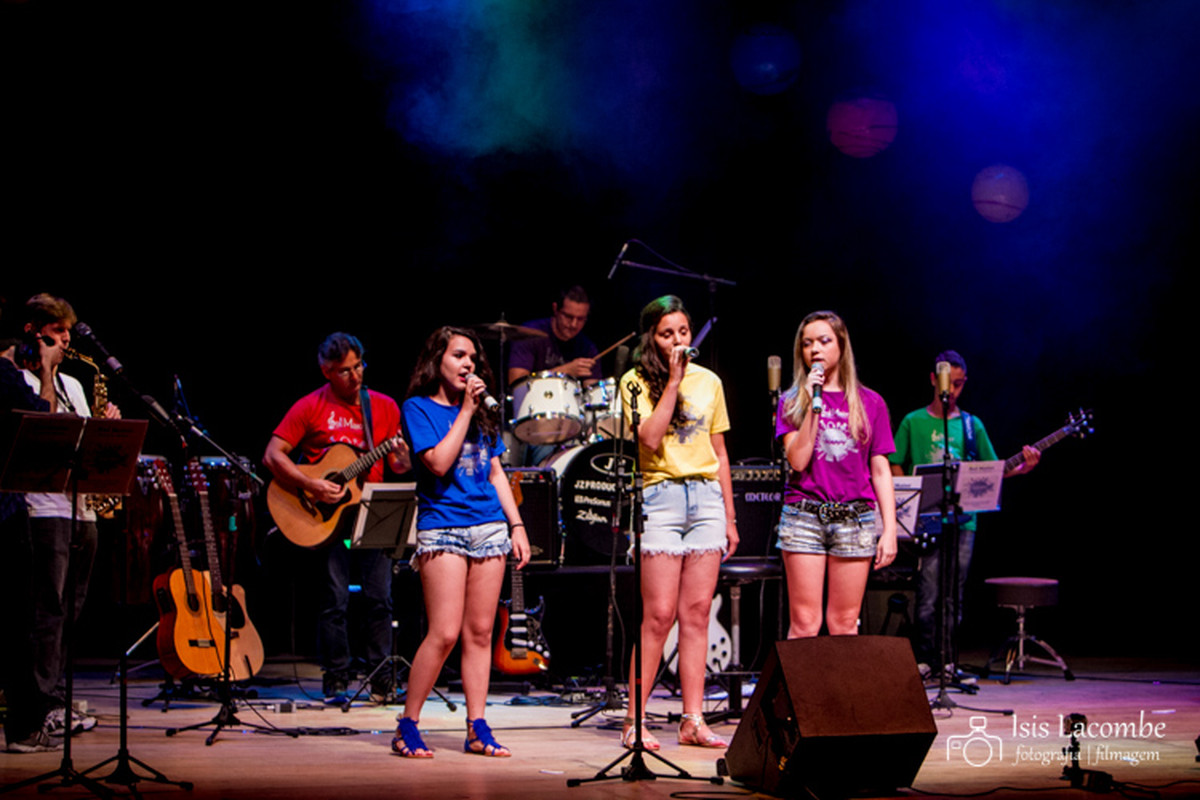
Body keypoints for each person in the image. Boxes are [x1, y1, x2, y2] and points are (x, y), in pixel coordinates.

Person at [393, 326, 530, 759]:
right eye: (458, 355)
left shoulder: (485, 414)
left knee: (480, 632)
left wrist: (517, 525)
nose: (468, 363)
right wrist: (466, 412)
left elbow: (494, 472)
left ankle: (477, 725)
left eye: (472, 357)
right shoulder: (417, 408)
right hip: (444, 527)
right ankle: (408, 724)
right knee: (445, 632)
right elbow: (436, 462)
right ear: (438, 361)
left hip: (489, 526)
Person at [263, 332, 411, 703]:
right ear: (326, 370)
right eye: (345, 371)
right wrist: (311, 484)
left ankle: (380, 677)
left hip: (371, 508)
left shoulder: (384, 406)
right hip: (326, 518)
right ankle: (337, 676)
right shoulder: (310, 406)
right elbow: (273, 455)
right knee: (334, 599)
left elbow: (398, 464)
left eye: (359, 366)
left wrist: (403, 457)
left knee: (381, 598)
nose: (355, 376)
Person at [619, 295, 737, 751]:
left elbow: (720, 452)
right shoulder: (634, 382)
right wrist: (672, 382)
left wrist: (729, 515)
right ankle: (635, 719)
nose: (678, 341)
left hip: (706, 498)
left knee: (697, 613)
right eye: (667, 334)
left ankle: (693, 719)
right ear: (652, 337)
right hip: (660, 497)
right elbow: (648, 439)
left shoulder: (711, 382)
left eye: (683, 332)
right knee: (659, 615)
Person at [14, 294, 121, 746]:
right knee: (47, 612)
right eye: (56, 331)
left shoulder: (76, 384)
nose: (65, 339)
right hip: (43, 510)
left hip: (81, 511)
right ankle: (34, 709)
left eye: (67, 332)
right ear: (34, 332)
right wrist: (43, 372)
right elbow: (45, 430)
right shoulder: (15, 379)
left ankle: (56, 700)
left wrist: (107, 425)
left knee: (72, 612)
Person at [889, 350, 1039, 671]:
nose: (952, 392)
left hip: (964, 521)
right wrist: (911, 497)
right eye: (948, 384)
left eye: (958, 385)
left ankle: (947, 661)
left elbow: (992, 468)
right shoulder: (913, 421)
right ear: (933, 379)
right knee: (928, 593)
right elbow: (894, 461)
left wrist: (1022, 469)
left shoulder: (973, 426)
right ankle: (925, 659)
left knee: (952, 596)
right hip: (927, 520)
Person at [776, 311, 897, 640]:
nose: (815, 349)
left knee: (844, 623)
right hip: (805, 515)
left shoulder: (871, 402)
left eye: (824, 341)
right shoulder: (791, 402)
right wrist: (812, 406)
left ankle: (839, 694)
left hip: (854, 518)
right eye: (807, 344)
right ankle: (799, 694)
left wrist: (890, 530)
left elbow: (881, 469)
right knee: (804, 623)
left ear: (841, 346)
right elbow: (798, 461)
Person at [1, 307, 55, 753]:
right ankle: (22, 729)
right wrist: (48, 372)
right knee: (18, 624)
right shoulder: (4, 374)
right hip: (6, 508)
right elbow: (46, 423)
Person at [507, 285, 602, 386]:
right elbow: (516, 382)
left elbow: (592, 392)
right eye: (568, 317)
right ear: (555, 309)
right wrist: (564, 371)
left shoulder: (587, 348)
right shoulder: (529, 335)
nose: (574, 325)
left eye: (580, 319)